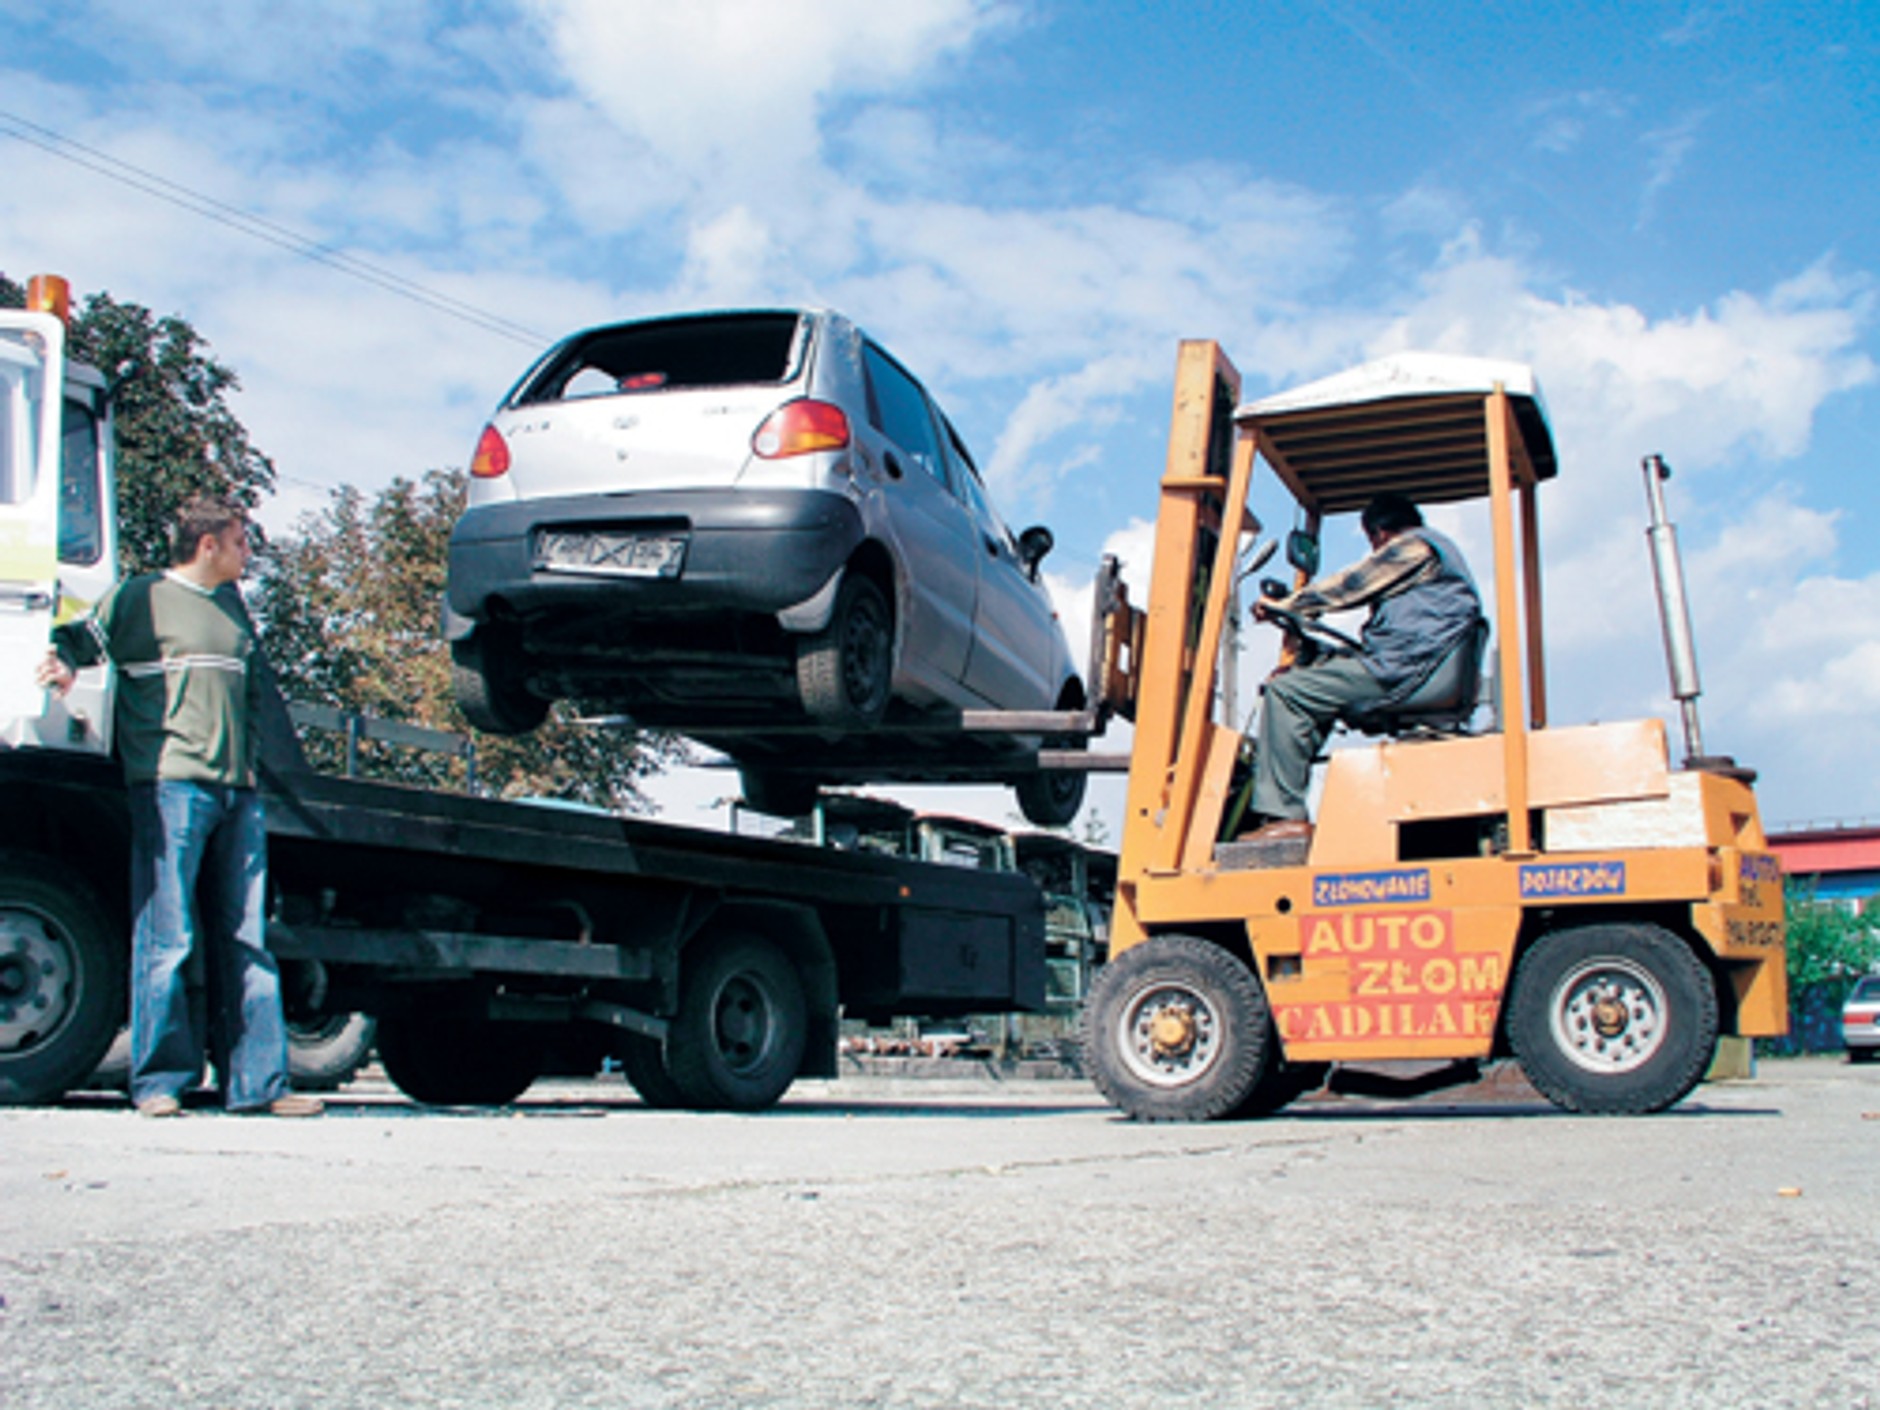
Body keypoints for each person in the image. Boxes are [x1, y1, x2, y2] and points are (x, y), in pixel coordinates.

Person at [36, 495, 321, 1118]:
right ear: (208, 544)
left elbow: (249, 699)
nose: (247, 554)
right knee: (168, 937)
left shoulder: (231, 608)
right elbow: (75, 640)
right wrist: (60, 667)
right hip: (169, 788)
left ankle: (259, 1086)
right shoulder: (140, 598)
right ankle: (160, 1083)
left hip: (238, 794)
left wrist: (250, 771)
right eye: (240, 542)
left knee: (248, 939)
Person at [1241, 492, 1483, 844]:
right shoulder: (1436, 560)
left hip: (1404, 671)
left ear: (1379, 534)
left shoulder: (1414, 548)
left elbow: (1350, 586)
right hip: (1413, 665)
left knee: (1286, 693)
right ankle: (1286, 806)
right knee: (1312, 681)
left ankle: (1282, 815)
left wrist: (1287, 605)